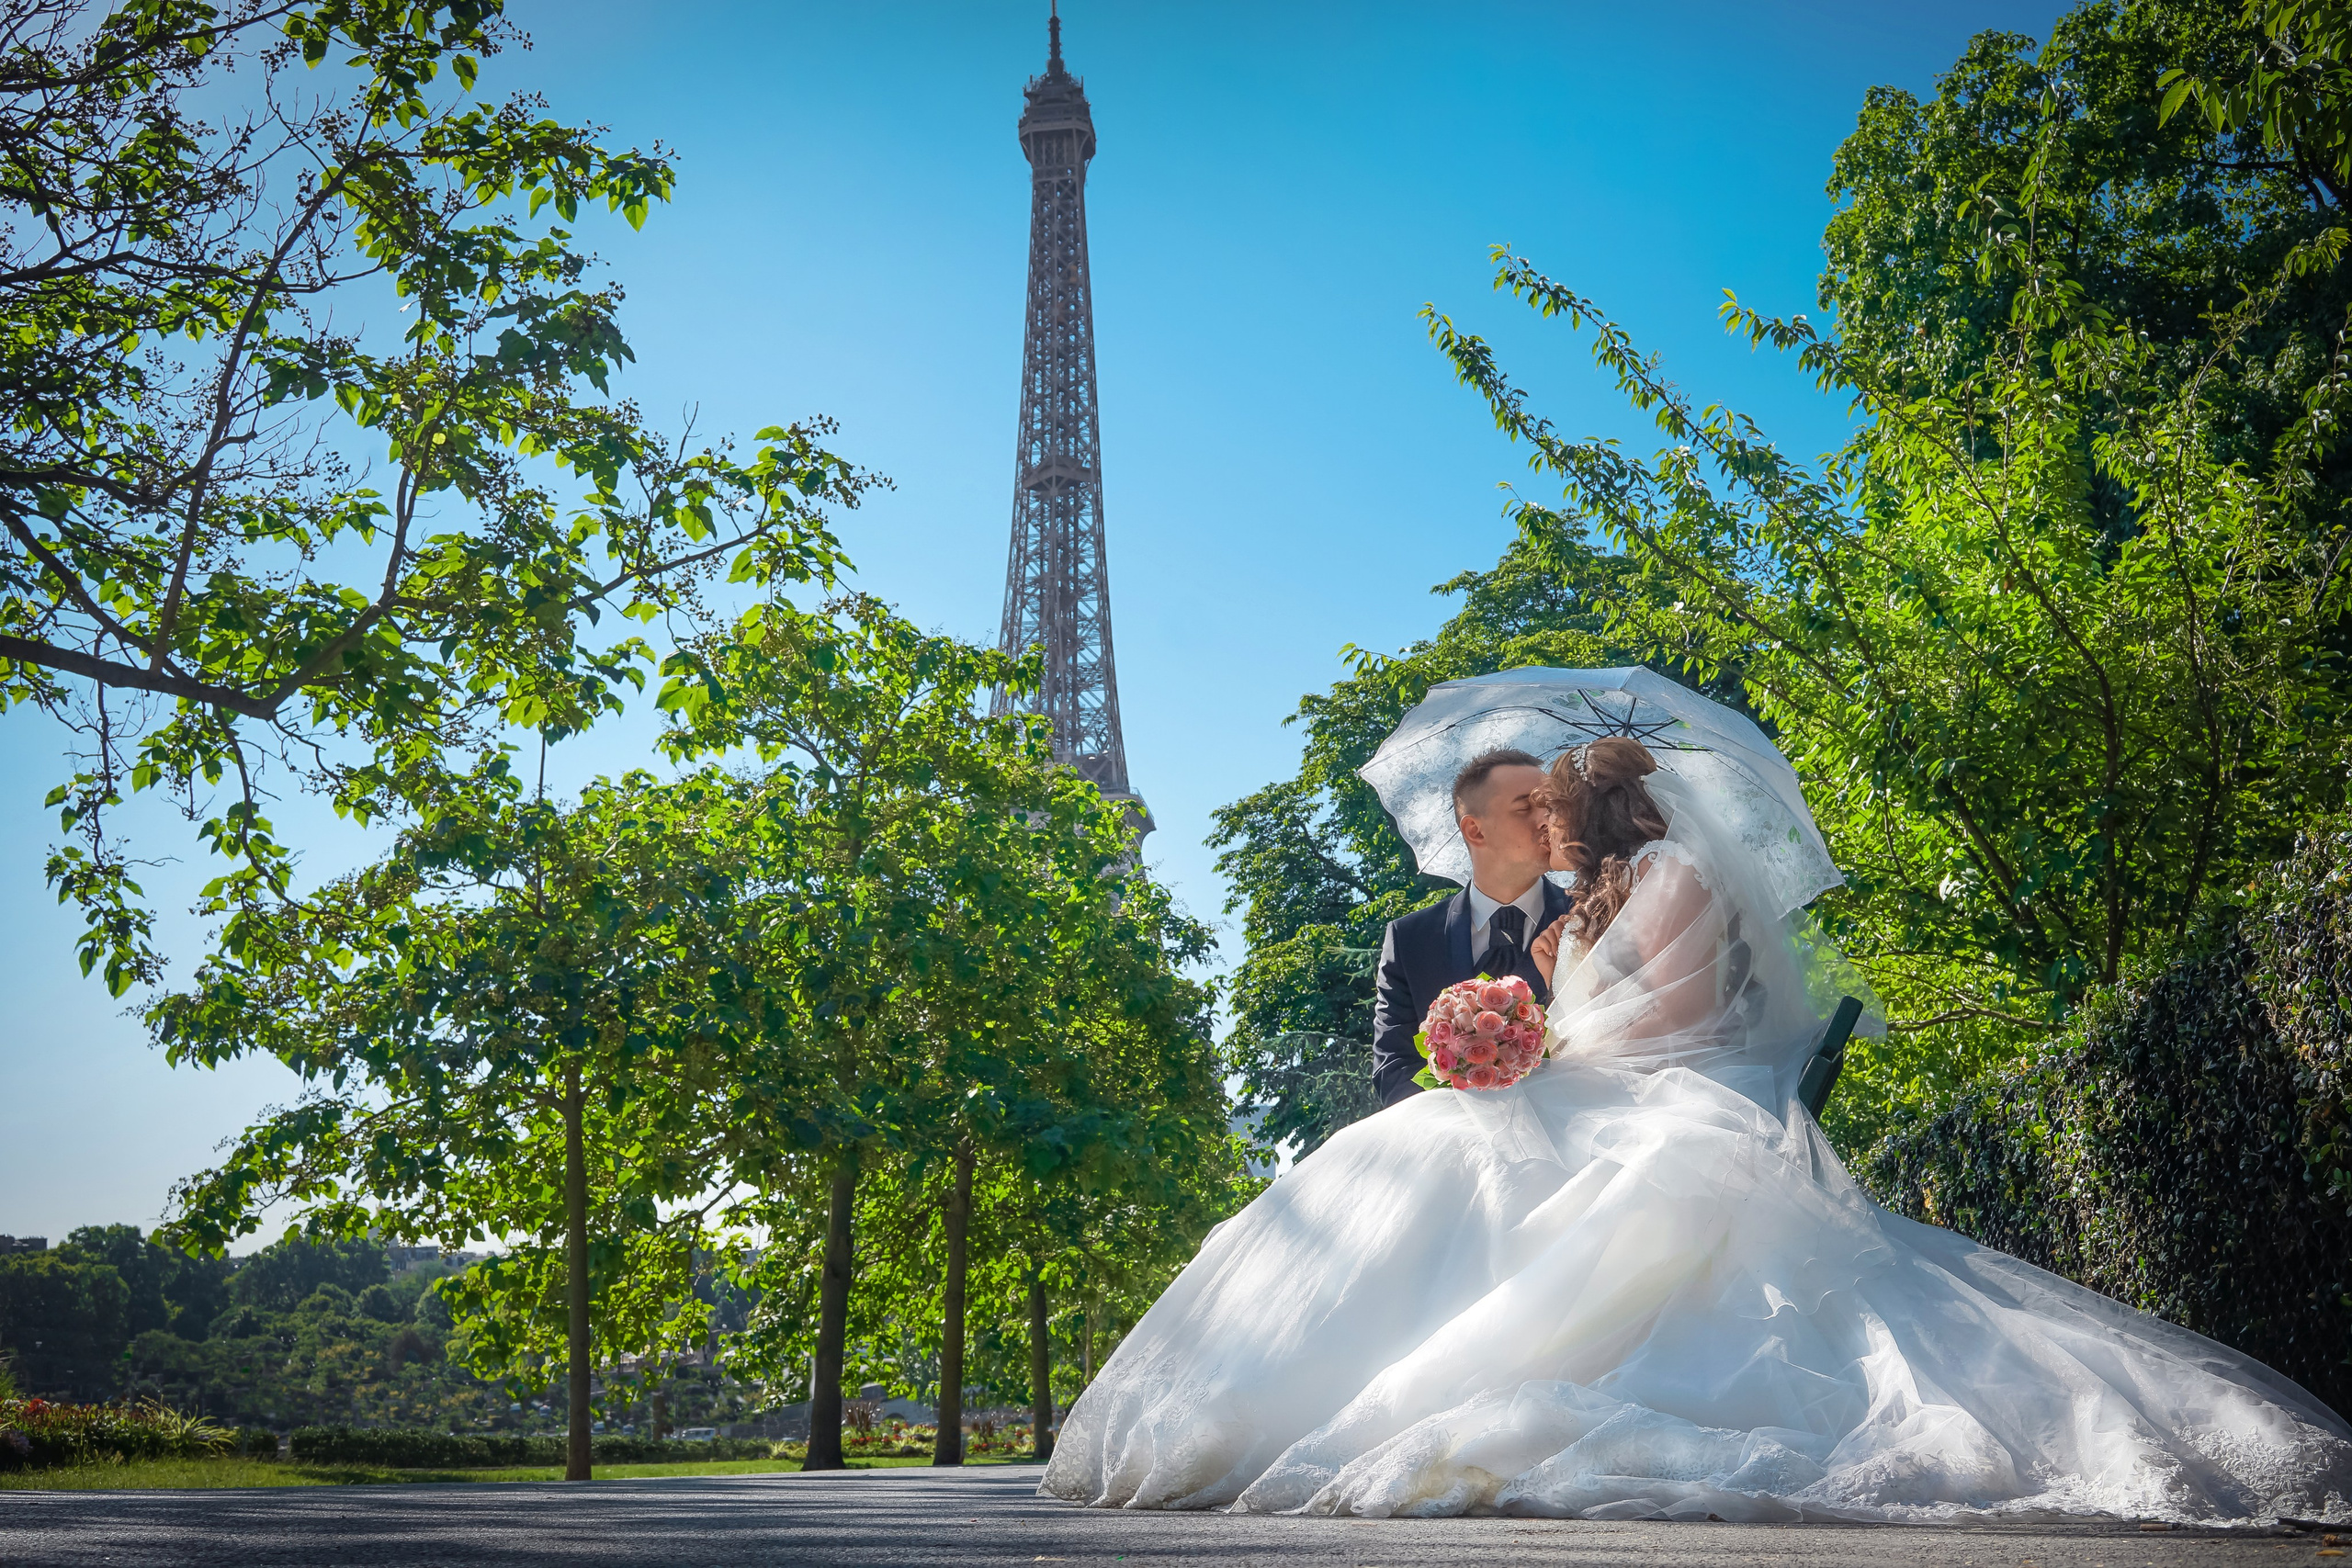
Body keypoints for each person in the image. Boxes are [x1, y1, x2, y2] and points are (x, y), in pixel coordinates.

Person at [1039, 737, 2352, 1524]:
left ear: (1595, 817)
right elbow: (1580, 999)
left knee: (1462, 1154)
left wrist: (1536, 1039)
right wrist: (1521, 1015)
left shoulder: (1671, 879)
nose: (1536, 839)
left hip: (1667, 1090)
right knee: (1424, 1148)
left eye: (1551, 820)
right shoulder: (1589, 900)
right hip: (1604, 1084)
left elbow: (1661, 1020)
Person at [1369, 748, 1576, 1107]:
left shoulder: (1589, 917)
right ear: (1475, 830)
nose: (1547, 820)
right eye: (1526, 807)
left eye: (1550, 805)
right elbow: (1394, 1068)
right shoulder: (1410, 939)